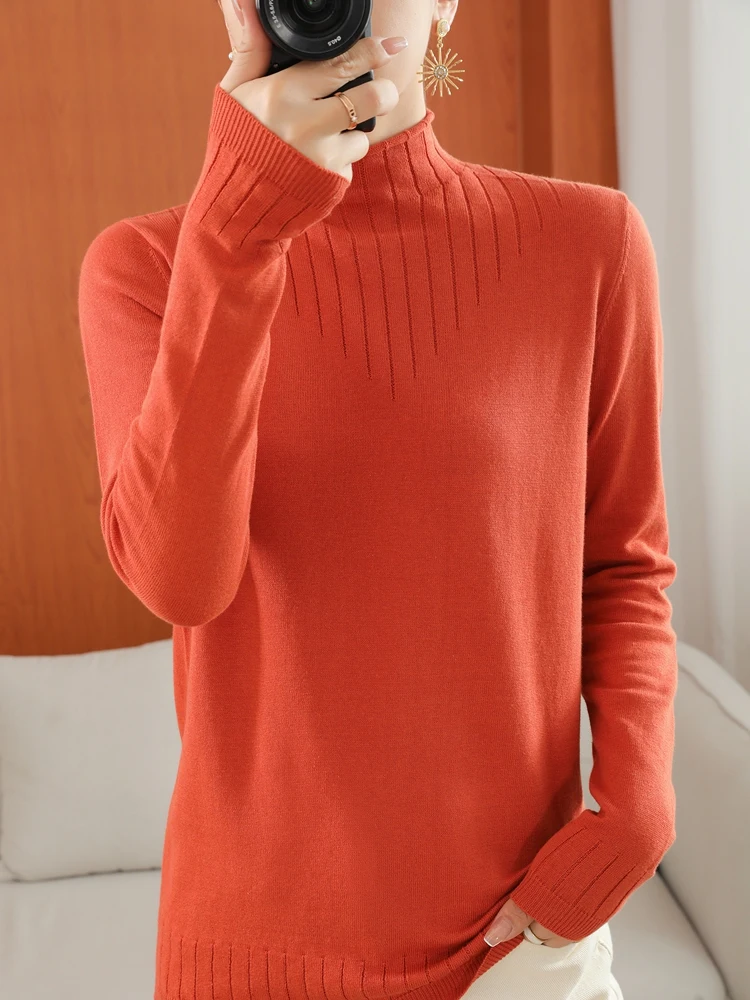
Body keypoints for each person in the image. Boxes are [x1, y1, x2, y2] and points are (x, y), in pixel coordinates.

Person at [77, 1, 677, 998]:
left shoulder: (591, 245)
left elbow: (622, 565)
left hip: (515, 951)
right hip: (249, 952)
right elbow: (182, 581)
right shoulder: (147, 269)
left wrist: (637, 811)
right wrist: (238, 225)